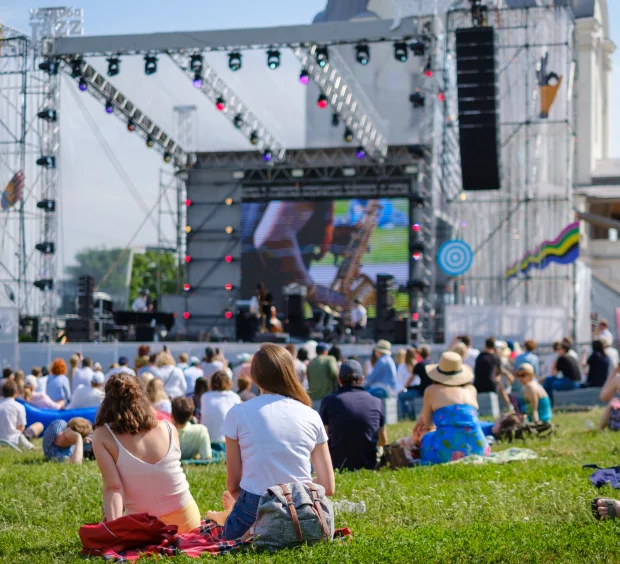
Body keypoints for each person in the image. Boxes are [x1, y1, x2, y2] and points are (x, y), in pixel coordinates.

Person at [205, 343, 335, 540]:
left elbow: (233, 486)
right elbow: (328, 485)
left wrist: (273, 496)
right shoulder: (311, 414)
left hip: (254, 507)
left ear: (254, 377)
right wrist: (294, 490)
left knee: (234, 511)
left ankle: (230, 516)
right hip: (304, 510)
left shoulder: (238, 413)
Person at [92, 373, 201, 533]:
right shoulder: (168, 427)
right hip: (188, 521)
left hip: (144, 528)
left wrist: (114, 530)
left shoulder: (102, 435)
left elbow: (114, 488)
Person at [414, 351, 490, 464]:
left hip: (446, 452)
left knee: (425, 434)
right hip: (479, 448)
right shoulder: (471, 390)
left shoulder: (432, 390)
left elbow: (427, 424)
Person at [320, 359, 387, 471]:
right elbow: (383, 440)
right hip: (368, 465)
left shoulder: (328, 401)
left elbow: (323, 437)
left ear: (339, 380)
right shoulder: (376, 402)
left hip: (336, 465)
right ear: (362, 379)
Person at [200, 371, 241, 446]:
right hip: (226, 442)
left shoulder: (205, 397)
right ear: (228, 382)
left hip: (207, 441)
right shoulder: (234, 397)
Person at [0, 379, 43, 451]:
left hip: (1, 439)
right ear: (16, 392)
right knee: (39, 425)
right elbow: (21, 428)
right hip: (14, 440)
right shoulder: (19, 406)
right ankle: (32, 448)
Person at [306, 343, 339, 410]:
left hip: (314, 399)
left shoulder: (311, 362)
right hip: (328, 397)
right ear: (325, 351)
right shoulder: (330, 359)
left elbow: (308, 379)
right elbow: (334, 373)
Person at [397, 348, 420, 420]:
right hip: (416, 389)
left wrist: (403, 388)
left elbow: (400, 381)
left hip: (410, 389)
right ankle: (411, 415)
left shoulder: (402, 366)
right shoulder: (417, 365)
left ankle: (403, 415)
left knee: (400, 396)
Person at [599, 366, 620, 431]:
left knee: (614, 401)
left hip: (617, 424)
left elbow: (603, 397)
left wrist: (614, 372)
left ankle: (600, 429)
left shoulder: (618, 379)